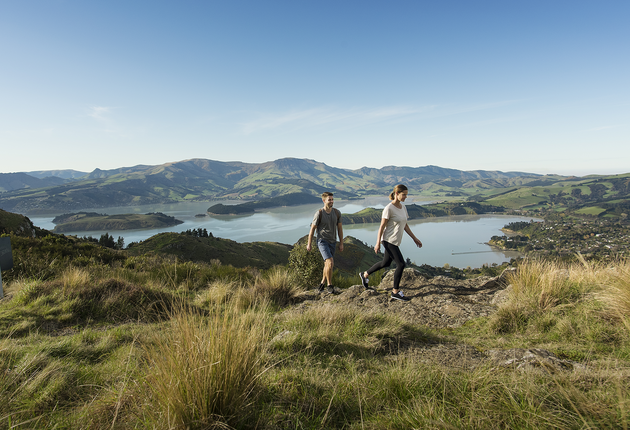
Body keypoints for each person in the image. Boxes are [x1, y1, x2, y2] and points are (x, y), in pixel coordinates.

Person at [359, 184, 422, 301]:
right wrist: (378, 243)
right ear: (397, 194)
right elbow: (382, 226)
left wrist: (415, 238)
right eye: (404, 195)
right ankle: (395, 292)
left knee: (386, 263)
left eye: (406, 195)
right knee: (401, 264)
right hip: (388, 241)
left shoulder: (403, 208)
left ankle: (365, 274)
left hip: (395, 241)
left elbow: (405, 225)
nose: (405, 197)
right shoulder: (389, 208)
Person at [307, 191, 344, 293]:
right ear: (324, 201)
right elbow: (312, 229)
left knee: (327, 265)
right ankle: (330, 285)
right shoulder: (319, 213)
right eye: (329, 200)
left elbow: (340, 229)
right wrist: (309, 243)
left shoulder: (337, 213)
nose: (332, 201)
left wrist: (341, 243)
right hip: (322, 241)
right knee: (330, 262)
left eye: (332, 199)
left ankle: (322, 283)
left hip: (333, 241)